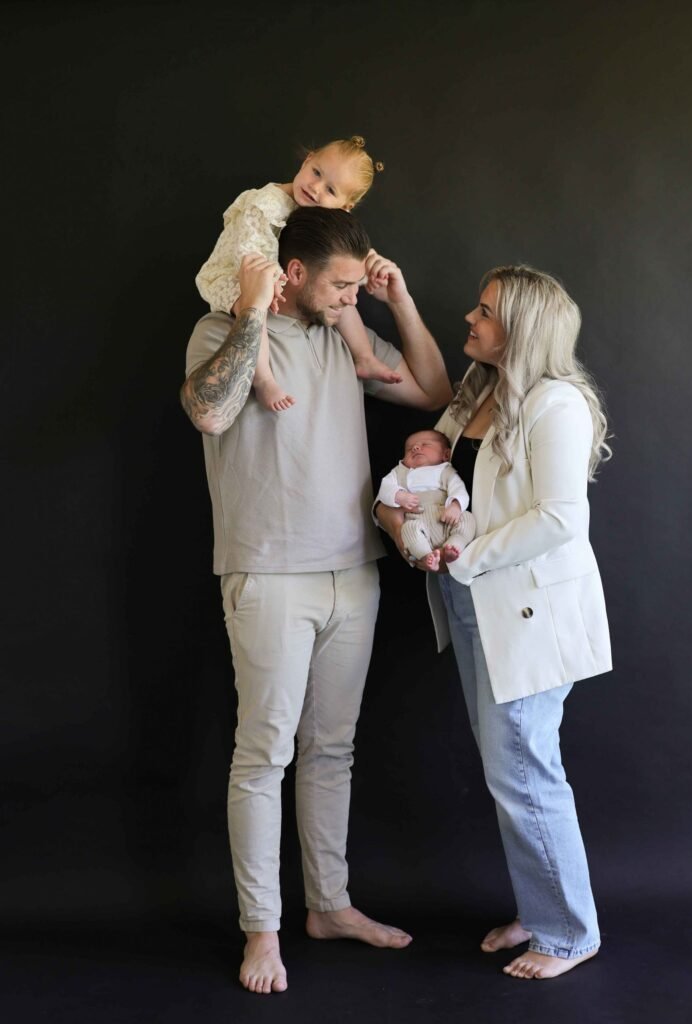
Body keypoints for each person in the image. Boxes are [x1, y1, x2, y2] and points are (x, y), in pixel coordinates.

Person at [181, 206, 452, 995]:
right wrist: (251, 315)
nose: (349, 299)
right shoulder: (219, 329)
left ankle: (329, 906)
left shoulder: (343, 334)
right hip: (268, 573)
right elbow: (208, 411)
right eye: (340, 286)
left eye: (356, 287)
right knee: (263, 756)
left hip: (353, 572)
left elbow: (433, 389)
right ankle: (261, 931)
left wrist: (398, 300)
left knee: (332, 750)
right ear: (292, 272)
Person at [377, 264, 612, 980]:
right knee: (508, 769)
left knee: (523, 772)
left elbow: (562, 518)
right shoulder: (477, 393)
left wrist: (467, 556)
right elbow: (436, 482)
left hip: (524, 609)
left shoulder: (556, 404)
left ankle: (568, 933)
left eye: (485, 312)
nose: (470, 319)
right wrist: (399, 525)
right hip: (471, 601)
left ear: (522, 329)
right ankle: (542, 909)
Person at [195, 135, 401, 412]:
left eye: (330, 190)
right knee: (255, 311)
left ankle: (364, 357)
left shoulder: (322, 216)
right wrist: (270, 286)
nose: (315, 188)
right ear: (307, 160)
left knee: (341, 293)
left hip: (275, 272)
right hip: (238, 272)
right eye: (316, 172)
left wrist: (366, 270)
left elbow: (340, 253)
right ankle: (264, 379)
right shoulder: (264, 205)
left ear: (344, 208)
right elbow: (251, 255)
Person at [376, 429, 476, 570]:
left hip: (445, 518)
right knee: (408, 529)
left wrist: (455, 506)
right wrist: (399, 496)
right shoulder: (399, 472)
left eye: (425, 444)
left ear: (446, 454)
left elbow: (459, 490)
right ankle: (426, 556)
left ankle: (454, 545)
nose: (416, 448)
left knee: (467, 518)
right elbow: (384, 489)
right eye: (409, 449)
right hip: (417, 520)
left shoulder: (446, 471)